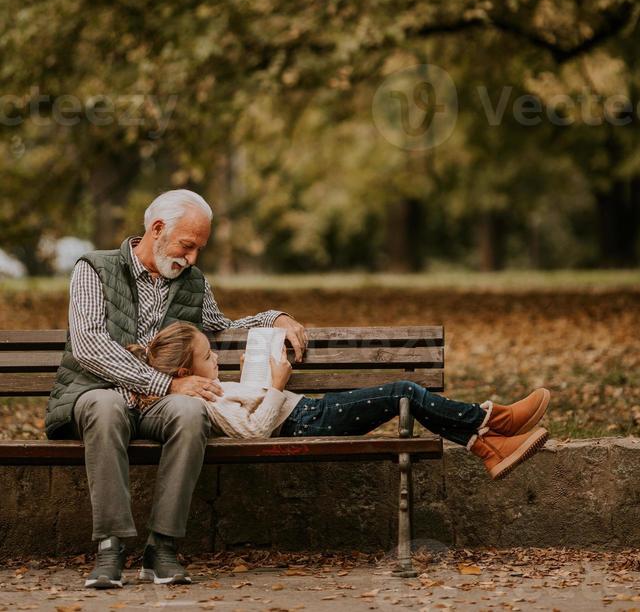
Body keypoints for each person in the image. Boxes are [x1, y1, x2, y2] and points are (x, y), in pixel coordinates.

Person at [44, 189, 308, 590]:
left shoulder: (192, 282)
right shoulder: (93, 268)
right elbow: (89, 344)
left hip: (160, 404)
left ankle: (162, 546)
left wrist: (276, 317)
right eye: (188, 245)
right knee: (107, 406)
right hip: (97, 391)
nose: (192, 258)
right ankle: (110, 547)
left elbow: (221, 328)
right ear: (157, 229)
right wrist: (167, 382)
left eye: (199, 248)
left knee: (190, 411)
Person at [127, 321, 551, 492]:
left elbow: (250, 409)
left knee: (402, 392)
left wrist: (251, 377)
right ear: (185, 370)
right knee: (402, 390)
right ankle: (490, 422)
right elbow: (254, 430)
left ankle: (489, 445)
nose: (215, 358)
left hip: (306, 413)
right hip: (303, 423)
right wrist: (276, 383)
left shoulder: (206, 389)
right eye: (208, 356)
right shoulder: (202, 402)